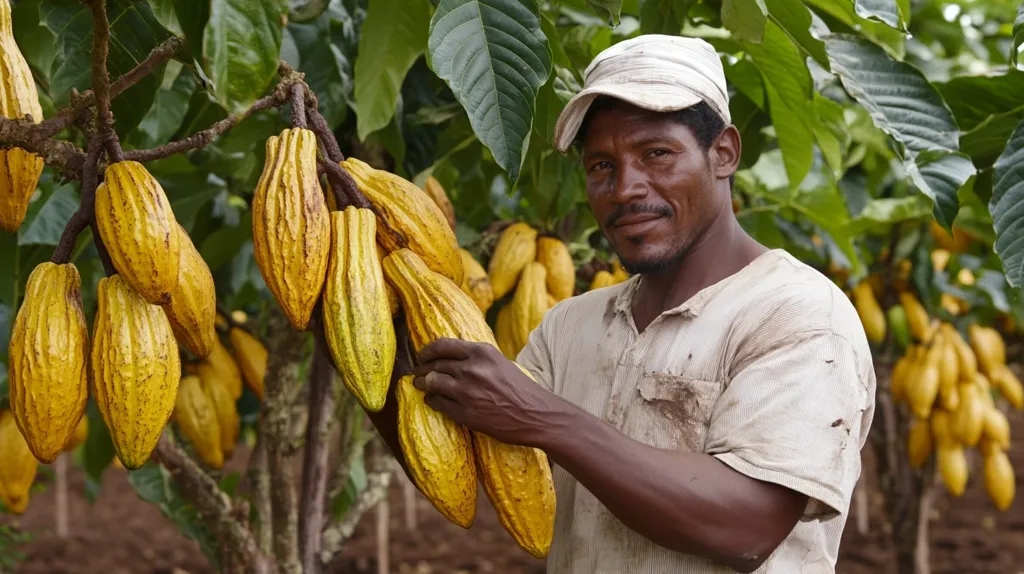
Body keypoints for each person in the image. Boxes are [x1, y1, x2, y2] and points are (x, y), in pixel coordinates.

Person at [369, 34, 877, 573]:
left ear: (723, 152)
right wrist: (358, 318)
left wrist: (544, 418)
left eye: (656, 154)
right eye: (600, 166)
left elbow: (747, 526)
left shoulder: (795, 314)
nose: (625, 187)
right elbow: (476, 466)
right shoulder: (571, 324)